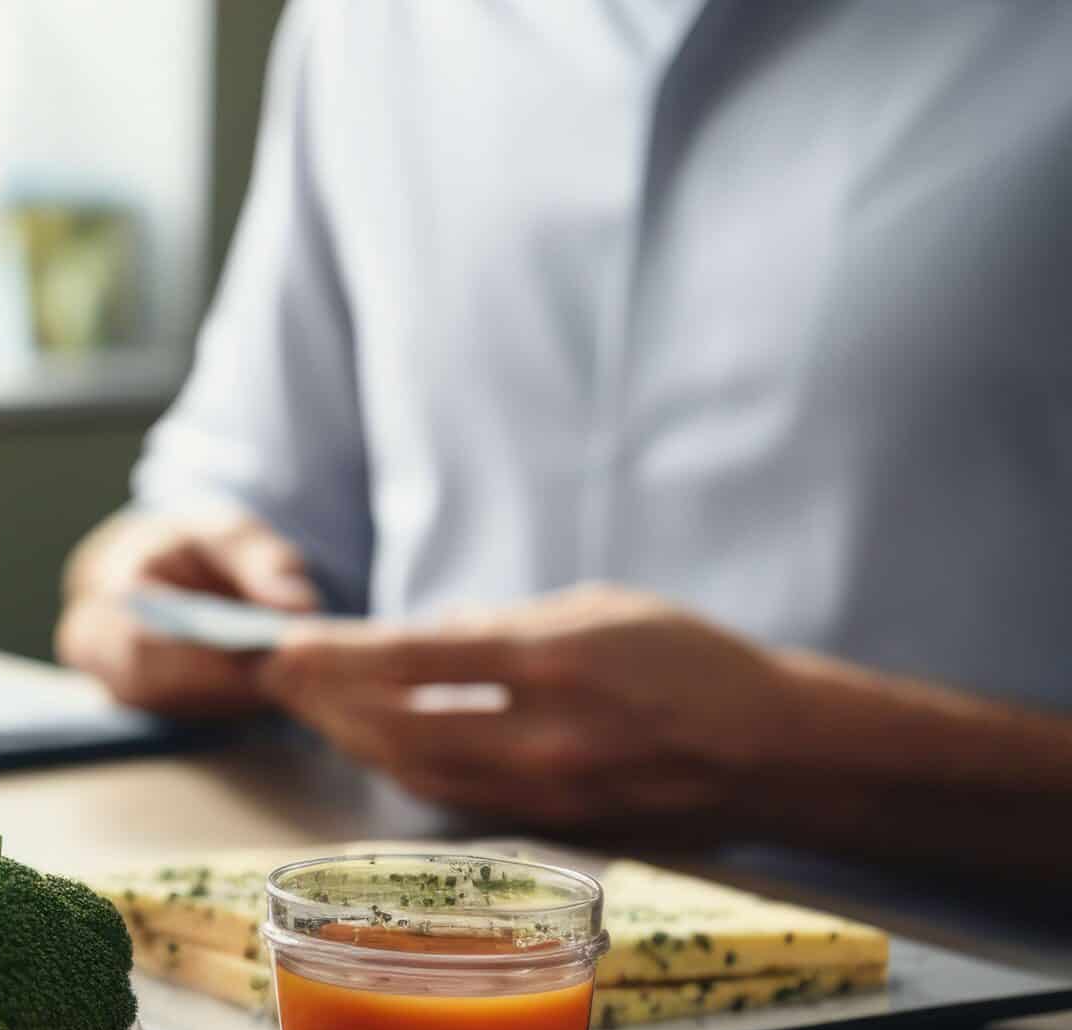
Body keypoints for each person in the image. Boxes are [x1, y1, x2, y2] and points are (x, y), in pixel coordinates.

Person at [60, 0, 1072, 879]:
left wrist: (818, 763)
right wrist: (141, 591)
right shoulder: (373, 23)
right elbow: (222, 511)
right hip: (394, 973)